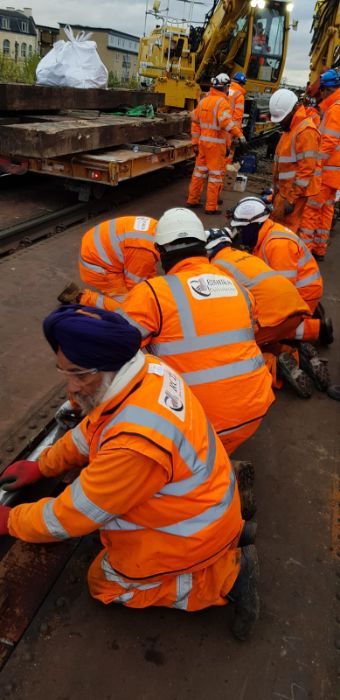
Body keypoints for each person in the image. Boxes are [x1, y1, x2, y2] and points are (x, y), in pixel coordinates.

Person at [0, 305, 259, 641]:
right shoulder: (147, 371)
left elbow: (67, 518)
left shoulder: (134, 445)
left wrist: (10, 521)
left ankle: (227, 578)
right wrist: (43, 464)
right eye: (64, 373)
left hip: (189, 532)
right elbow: (92, 429)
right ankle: (231, 536)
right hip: (207, 508)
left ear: (109, 368)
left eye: (80, 374)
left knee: (104, 583)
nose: (71, 389)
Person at [77, 208, 274, 456]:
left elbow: (109, 353)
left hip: (198, 422)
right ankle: (219, 462)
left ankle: (203, 470)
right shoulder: (238, 288)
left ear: (160, 254)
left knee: (133, 360)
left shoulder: (152, 293)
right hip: (253, 411)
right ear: (204, 247)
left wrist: (79, 403)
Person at [206, 227, 330, 394]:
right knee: (264, 338)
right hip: (297, 313)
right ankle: (296, 354)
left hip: (272, 321)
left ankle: (274, 365)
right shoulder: (247, 257)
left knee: (231, 350)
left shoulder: (214, 268)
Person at [229, 197, 333, 395]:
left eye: (242, 229)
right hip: (303, 291)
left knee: (262, 332)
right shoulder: (268, 234)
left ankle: (315, 329)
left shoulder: (277, 245)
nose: (240, 234)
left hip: (300, 295)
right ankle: (303, 338)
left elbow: (282, 295)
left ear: (255, 225)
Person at [187, 74, 245, 214]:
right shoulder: (222, 103)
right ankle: (211, 207)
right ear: (225, 87)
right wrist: (239, 134)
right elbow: (226, 122)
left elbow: (195, 121)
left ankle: (192, 199)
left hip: (203, 143)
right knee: (215, 175)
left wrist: (195, 142)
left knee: (199, 172)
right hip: (216, 145)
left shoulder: (204, 101)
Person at [299, 69, 340, 260]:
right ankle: (319, 248)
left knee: (312, 210)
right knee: (326, 210)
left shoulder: (335, 109)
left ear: (325, 90)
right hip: (335, 173)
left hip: (325, 171)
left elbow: (330, 140)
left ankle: (304, 252)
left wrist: (316, 162)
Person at [269, 89, 321, 232]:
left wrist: (291, 199)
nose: (280, 123)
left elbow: (306, 170)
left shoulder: (305, 132)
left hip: (294, 194)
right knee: (276, 226)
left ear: (293, 111)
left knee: (286, 231)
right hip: (285, 191)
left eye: (282, 119)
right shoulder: (291, 128)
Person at [78, 215, 158, 300]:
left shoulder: (154, 227)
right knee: (126, 303)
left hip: (95, 247)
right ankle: (83, 298)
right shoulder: (144, 252)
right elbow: (135, 286)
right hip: (96, 266)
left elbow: (145, 270)